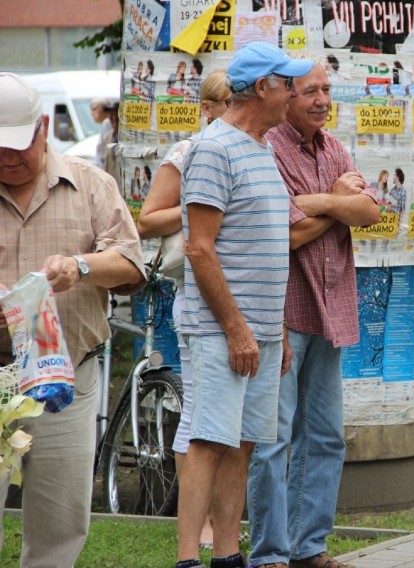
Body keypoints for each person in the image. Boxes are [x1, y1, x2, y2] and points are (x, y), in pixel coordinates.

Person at [174, 42, 313, 568]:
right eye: (288, 84)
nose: (294, 95)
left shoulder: (262, 147)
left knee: (244, 443)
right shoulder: (214, 148)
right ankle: (190, 558)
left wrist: (272, 333)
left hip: (258, 333)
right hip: (219, 331)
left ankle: (229, 556)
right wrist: (237, 330)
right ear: (263, 88)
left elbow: (266, 246)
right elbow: (200, 248)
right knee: (209, 439)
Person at [0, 72, 145, 567]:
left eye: (17, 145)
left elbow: (130, 265)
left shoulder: (90, 185)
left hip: (67, 376)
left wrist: (80, 267)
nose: (7, 157)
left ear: (43, 128)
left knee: (60, 520)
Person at [246, 62, 379, 568]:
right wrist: (336, 202)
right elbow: (281, 233)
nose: (323, 99)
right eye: (311, 91)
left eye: (327, 90)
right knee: (273, 439)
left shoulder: (335, 147)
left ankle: (309, 549)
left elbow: (371, 211)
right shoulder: (268, 148)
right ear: (285, 96)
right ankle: (271, 554)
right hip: (283, 310)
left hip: (331, 308)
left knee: (325, 435)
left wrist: (312, 206)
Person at [136, 68, 231, 551]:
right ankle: (201, 528)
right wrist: (202, 204)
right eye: (223, 104)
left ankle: (220, 522)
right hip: (196, 297)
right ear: (207, 109)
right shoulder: (188, 152)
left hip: (238, 295)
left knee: (227, 422)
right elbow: (149, 219)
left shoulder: (249, 150)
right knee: (197, 414)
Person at [89, 97, 114, 169]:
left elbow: (102, 153)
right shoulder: (105, 124)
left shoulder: (107, 123)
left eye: (94, 109)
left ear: (105, 109)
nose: (92, 113)